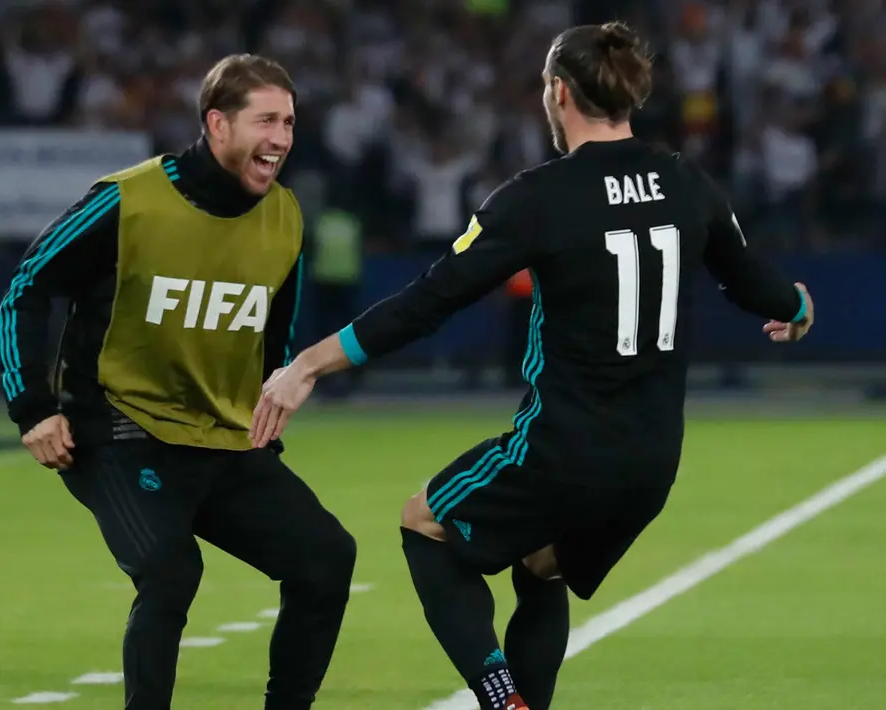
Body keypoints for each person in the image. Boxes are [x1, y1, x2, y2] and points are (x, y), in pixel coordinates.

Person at [251, 22, 814, 710]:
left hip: (564, 448)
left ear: (556, 92)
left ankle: (498, 696)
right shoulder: (684, 181)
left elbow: (428, 302)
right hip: (652, 460)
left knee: (423, 525)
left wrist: (308, 364)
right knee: (540, 564)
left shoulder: (538, 196)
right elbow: (756, 285)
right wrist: (797, 304)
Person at [0, 54, 357, 710]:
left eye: (290, 123)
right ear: (217, 125)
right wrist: (33, 407)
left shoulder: (284, 218)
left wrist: (263, 424)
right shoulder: (128, 200)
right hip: (117, 430)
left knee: (327, 558)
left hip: (221, 438)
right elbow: (27, 287)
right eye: (266, 121)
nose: (281, 138)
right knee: (169, 572)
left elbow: (271, 337)